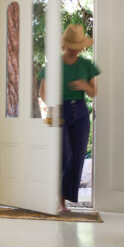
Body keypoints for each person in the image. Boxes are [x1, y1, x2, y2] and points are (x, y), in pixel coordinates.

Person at [39, 24, 100, 213]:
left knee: (77, 158)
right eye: (71, 46)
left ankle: (62, 202)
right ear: (64, 46)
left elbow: (93, 92)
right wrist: (53, 107)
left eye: (77, 47)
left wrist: (84, 85)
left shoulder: (86, 65)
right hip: (60, 112)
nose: (74, 50)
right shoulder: (53, 65)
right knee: (64, 155)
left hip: (81, 114)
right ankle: (54, 196)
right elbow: (42, 92)